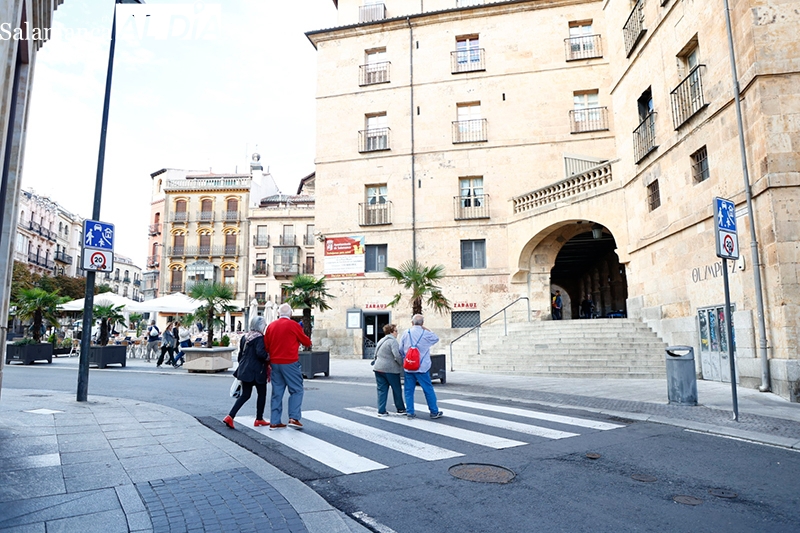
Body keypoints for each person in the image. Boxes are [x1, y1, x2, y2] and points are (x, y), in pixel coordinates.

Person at [265, 304, 311, 429]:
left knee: (277, 392)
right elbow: (306, 342)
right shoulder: (294, 325)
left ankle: (274, 421)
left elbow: (266, 345)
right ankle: (293, 417)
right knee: (296, 389)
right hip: (290, 362)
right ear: (290, 314)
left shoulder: (271, 326)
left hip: (275, 362)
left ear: (279, 314)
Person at [224, 316, 269, 429]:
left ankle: (230, 416)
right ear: (261, 326)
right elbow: (260, 353)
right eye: (264, 325)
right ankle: (259, 419)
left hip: (245, 370)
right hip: (257, 371)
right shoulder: (260, 338)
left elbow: (240, 355)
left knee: (245, 395)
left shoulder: (245, 337)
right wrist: (268, 356)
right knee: (262, 394)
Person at [399, 314, 443, 419]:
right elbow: (436, 338)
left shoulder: (406, 333)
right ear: (422, 323)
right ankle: (434, 411)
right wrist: (426, 329)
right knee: (428, 389)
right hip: (422, 367)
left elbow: (400, 349)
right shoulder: (426, 333)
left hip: (409, 367)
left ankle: (410, 412)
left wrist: (406, 358)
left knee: (408, 390)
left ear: (412, 322)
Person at [372, 324, 406, 416]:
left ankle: (381, 410)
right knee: (396, 390)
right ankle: (400, 409)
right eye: (396, 331)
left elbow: (375, 353)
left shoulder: (381, 340)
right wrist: (402, 364)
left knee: (381, 390)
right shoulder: (393, 341)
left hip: (378, 368)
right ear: (391, 332)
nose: (397, 333)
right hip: (391, 369)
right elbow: (397, 355)